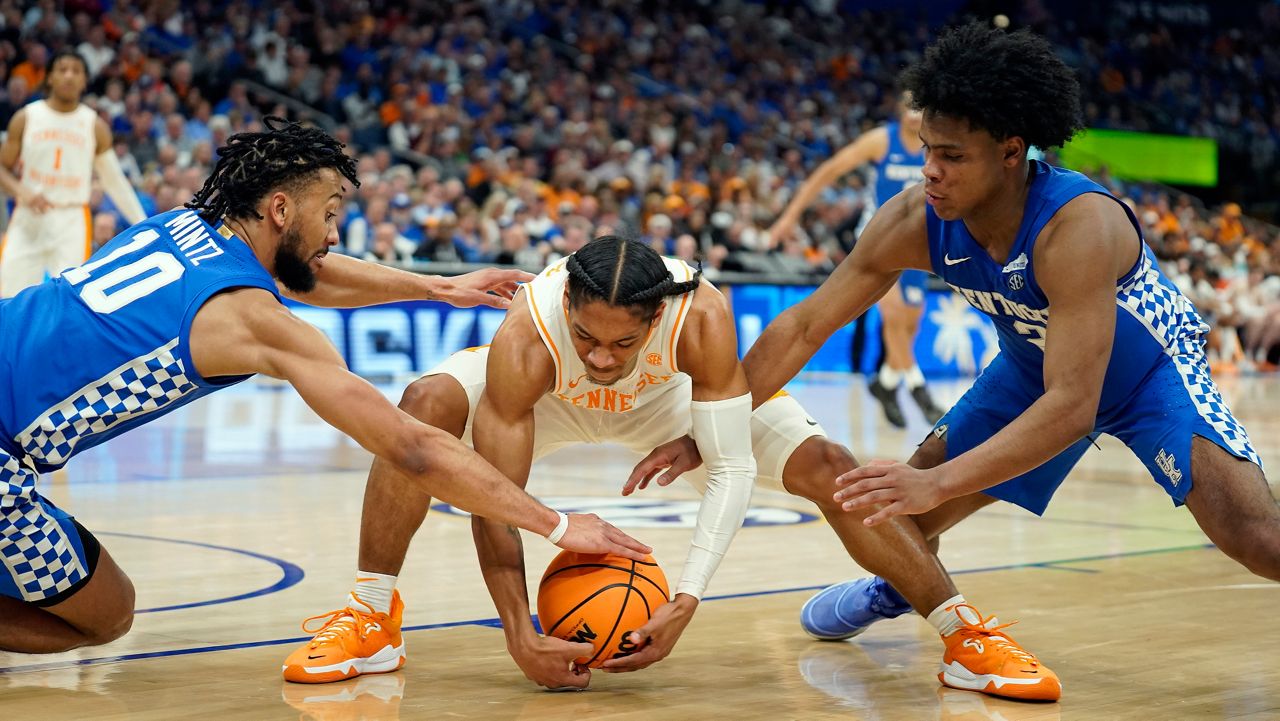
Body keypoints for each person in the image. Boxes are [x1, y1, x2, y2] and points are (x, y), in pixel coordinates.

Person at [733, 22, 1271, 701]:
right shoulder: (914, 217)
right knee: (895, 523)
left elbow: (1074, 406)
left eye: (952, 155)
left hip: (1147, 373)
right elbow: (807, 322)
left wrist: (939, 480)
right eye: (928, 148)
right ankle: (894, 587)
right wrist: (712, 418)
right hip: (1032, 371)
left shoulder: (1078, 225)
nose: (929, 168)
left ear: (1011, 152)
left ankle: (897, 576)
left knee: (1255, 539)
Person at [0, 117, 649, 655]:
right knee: (107, 613)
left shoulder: (186, 228)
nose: (335, 233)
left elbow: (309, 271)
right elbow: (412, 448)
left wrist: (434, 285)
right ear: (281, 208)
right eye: (330, 212)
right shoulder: (249, 319)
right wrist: (558, 523)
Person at [284, 237, 929, 692]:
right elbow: (495, 494)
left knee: (829, 463)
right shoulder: (529, 325)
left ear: (656, 316)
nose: (600, 356)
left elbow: (730, 467)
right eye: (587, 337)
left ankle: (961, 630)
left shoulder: (700, 313)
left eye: (621, 341)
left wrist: (687, 598)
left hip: (665, 399)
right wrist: (518, 632)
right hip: (549, 398)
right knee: (424, 404)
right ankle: (372, 615)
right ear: (567, 308)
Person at [770, 91, 945, 428]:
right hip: (879, 240)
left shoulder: (937, 143)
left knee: (909, 326)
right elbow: (829, 171)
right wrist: (790, 216)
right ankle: (920, 392)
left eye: (920, 106)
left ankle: (887, 383)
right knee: (893, 319)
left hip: (919, 244)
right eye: (908, 105)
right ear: (897, 107)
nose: (913, 113)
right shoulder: (881, 140)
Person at [0, 51, 147, 297]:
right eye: (62, 69)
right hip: (28, 215)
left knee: (71, 298)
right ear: (50, 78)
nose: (69, 76)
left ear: (84, 81)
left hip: (71, 217)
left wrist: (143, 223)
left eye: (76, 70)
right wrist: (21, 190)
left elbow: (114, 182)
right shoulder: (26, 117)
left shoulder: (95, 126)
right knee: (7, 294)